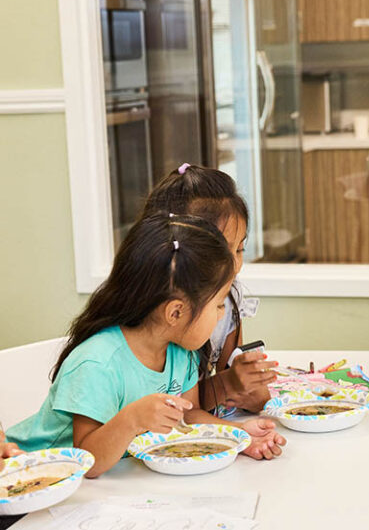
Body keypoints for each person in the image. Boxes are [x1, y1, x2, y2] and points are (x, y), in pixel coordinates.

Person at [5, 214, 285, 478]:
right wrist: (132, 420)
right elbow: (88, 461)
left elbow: (189, 416)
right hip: (28, 476)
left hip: (108, 484)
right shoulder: (98, 363)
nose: (222, 314)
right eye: (218, 304)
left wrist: (239, 435)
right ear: (175, 313)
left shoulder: (180, 352)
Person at [140, 163, 274, 416]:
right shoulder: (159, 313)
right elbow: (175, 404)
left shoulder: (231, 299)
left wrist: (248, 386)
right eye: (223, 251)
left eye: (239, 249)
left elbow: (226, 382)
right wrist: (229, 385)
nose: (233, 265)